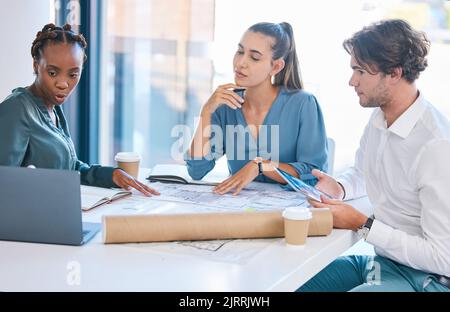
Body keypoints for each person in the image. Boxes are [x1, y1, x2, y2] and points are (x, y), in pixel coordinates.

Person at [299, 19, 450, 292]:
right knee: (295, 285)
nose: (351, 81)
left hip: (428, 279)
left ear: (394, 73)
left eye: (360, 71)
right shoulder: (380, 118)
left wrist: (363, 225)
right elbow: (364, 171)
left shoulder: (436, 146)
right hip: (384, 263)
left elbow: (444, 258)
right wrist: (340, 187)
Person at [0, 23, 159, 196]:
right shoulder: (16, 109)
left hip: (59, 211)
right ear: (36, 65)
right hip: (33, 219)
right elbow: (5, 182)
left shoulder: (54, 109)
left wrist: (112, 175)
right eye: (52, 73)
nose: (63, 84)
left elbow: (69, 168)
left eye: (72, 74)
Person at [186, 22, 328, 195]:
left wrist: (260, 166)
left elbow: (314, 174)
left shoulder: (303, 104)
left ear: (276, 66)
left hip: (290, 214)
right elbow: (197, 171)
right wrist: (206, 112)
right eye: (240, 52)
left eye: (254, 57)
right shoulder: (225, 107)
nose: (240, 63)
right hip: (240, 210)